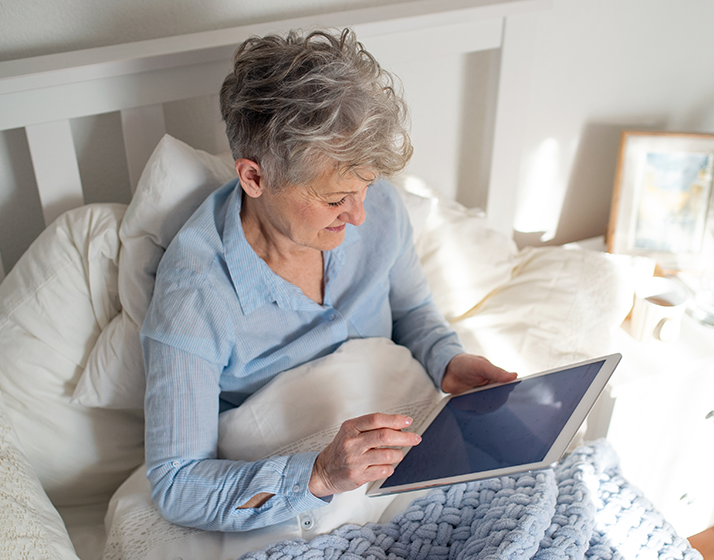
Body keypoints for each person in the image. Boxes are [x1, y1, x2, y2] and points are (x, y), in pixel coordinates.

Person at [141, 28, 516, 532]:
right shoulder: (195, 295)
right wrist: (318, 475)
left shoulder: (379, 208)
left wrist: (447, 360)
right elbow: (176, 482)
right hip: (309, 489)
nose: (359, 215)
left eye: (364, 189)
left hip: (416, 449)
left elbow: (412, 312)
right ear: (254, 178)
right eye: (336, 199)